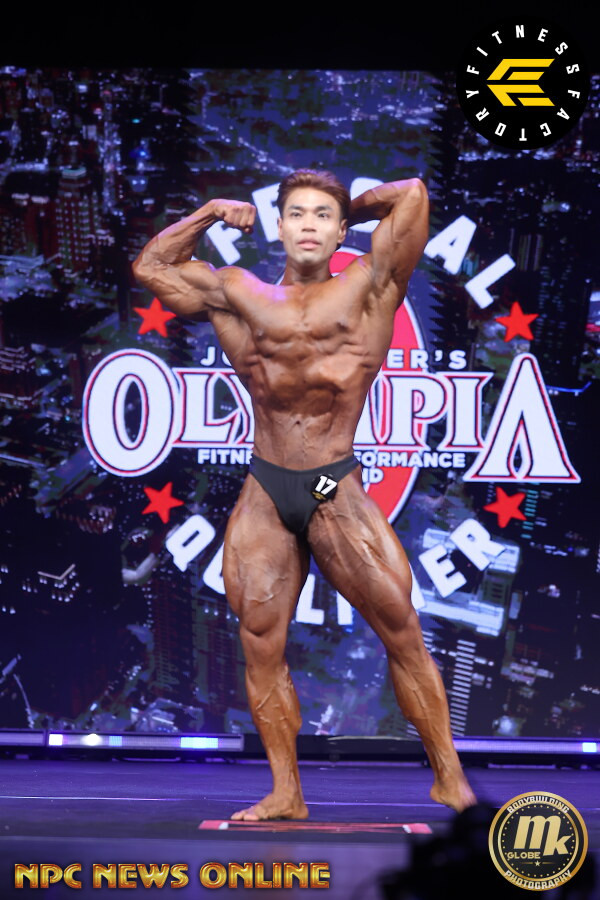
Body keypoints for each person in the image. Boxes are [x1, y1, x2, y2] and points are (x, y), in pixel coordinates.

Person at [133, 169, 476, 820]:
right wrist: (209, 211)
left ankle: (450, 780)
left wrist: (351, 205)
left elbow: (412, 194)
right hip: (266, 484)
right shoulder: (238, 292)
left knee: (402, 631)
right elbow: (152, 266)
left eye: (323, 215)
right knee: (259, 642)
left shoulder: (370, 286)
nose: (310, 225)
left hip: (330, 482)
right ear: (280, 226)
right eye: (297, 214)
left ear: (342, 230)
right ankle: (286, 792)